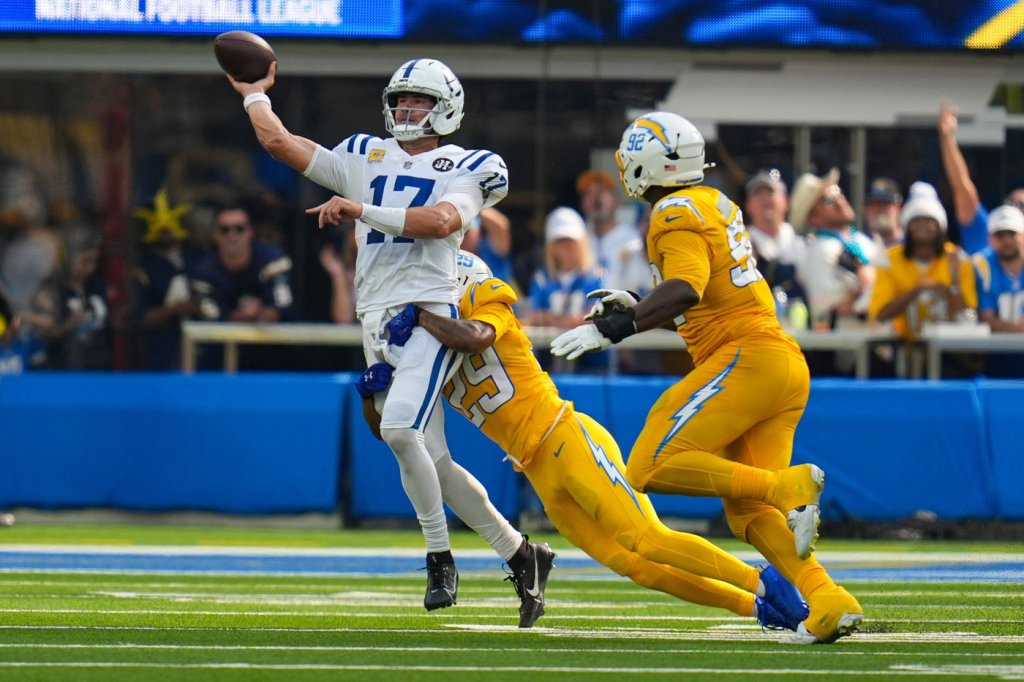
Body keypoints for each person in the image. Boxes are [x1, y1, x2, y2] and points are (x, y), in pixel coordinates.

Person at [226, 56, 540, 614]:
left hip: (426, 312)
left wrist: (361, 208)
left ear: (446, 108)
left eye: (418, 100)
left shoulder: (470, 164)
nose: (407, 109)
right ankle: (521, 553)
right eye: (400, 99)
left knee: (398, 429)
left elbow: (442, 221)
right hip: (374, 318)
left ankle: (439, 557)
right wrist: (254, 94)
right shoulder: (363, 154)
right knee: (433, 460)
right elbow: (281, 143)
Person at [369, 250, 811, 633]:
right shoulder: (425, 342)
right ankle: (758, 607)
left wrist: (423, 317)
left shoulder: (483, 296)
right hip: (536, 469)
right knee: (635, 566)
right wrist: (374, 390)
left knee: (647, 539)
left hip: (565, 436)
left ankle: (766, 582)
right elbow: (396, 432)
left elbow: (476, 337)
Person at [550, 112, 863, 644]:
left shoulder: (671, 211)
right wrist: (639, 302)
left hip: (748, 357)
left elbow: (687, 288)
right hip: (778, 362)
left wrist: (618, 326)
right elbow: (706, 292)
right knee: (747, 512)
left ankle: (787, 487)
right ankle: (829, 600)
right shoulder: (713, 202)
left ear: (654, 163)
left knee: (650, 464)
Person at [869, 182, 977, 341]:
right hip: (903, 346)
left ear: (940, 226)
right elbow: (880, 315)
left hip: (950, 348)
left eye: (929, 220)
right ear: (907, 225)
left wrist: (953, 285)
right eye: (916, 220)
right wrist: (918, 290)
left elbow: (969, 317)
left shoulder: (958, 258)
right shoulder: (889, 259)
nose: (922, 226)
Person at [790, 169, 879, 330]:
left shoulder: (863, 240)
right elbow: (830, 310)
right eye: (828, 201)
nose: (839, 201)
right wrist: (866, 287)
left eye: (838, 193)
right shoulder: (817, 252)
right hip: (851, 341)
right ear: (813, 218)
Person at [526, 207, 607, 372]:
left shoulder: (596, 276)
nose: (566, 246)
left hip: (591, 365)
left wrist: (555, 321)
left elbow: (596, 317)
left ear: (581, 242)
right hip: (550, 362)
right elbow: (534, 317)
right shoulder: (542, 278)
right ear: (551, 246)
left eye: (571, 240)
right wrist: (571, 320)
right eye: (560, 241)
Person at [129, 189, 201, 370]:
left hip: (201, 350)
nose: (165, 230)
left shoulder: (198, 260)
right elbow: (139, 318)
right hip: (160, 353)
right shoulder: (143, 268)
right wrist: (175, 310)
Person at [937, 102, 1022, 255]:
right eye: (1011, 203)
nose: (1014, 211)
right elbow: (962, 186)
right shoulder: (984, 229)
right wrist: (947, 138)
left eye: (1021, 206)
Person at [191, 203, 294, 324]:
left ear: (251, 232)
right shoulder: (203, 271)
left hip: (276, 332)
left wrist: (261, 312)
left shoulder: (273, 260)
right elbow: (213, 318)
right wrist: (241, 317)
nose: (232, 236)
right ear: (215, 234)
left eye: (239, 229)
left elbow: (282, 305)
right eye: (225, 230)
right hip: (225, 334)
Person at [29, 227, 112, 370]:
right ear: (67, 259)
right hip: (64, 370)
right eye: (84, 262)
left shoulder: (97, 287)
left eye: (94, 262)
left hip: (100, 369)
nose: (90, 268)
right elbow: (42, 335)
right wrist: (67, 325)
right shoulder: (51, 291)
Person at [972, 205, 1024, 376]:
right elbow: (987, 318)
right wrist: (1018, 329)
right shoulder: (983, 266)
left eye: (1012, 233)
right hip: (996, 352)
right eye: (1000, 235)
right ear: (991, 239)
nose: (1007, 241)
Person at [744, 169, 806, 309]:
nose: (765, 198)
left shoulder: (802, 242)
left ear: (786, 201)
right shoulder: (740, 244)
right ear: (748, 206)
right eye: (757, 194)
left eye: (770, 192)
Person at [576, 169, 642, 286]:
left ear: (616, 200)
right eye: (588, 193)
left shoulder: (634, 240)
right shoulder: (578, 242)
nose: (596, 199)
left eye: (601, 192)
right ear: (582, 204)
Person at [461, 206, 514, 286]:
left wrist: (472, 205)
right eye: (459, 234)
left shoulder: (489, 249)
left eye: (466, 233)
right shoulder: (451, 254)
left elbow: (501, 226)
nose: (463, 238)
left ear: (478, 232)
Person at [862, 178, 904, 251]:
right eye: (873, 204)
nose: (878, 209)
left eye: (884, 203)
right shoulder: (857, 245)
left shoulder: (913, 244)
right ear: (865, 209)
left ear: (898, 207)